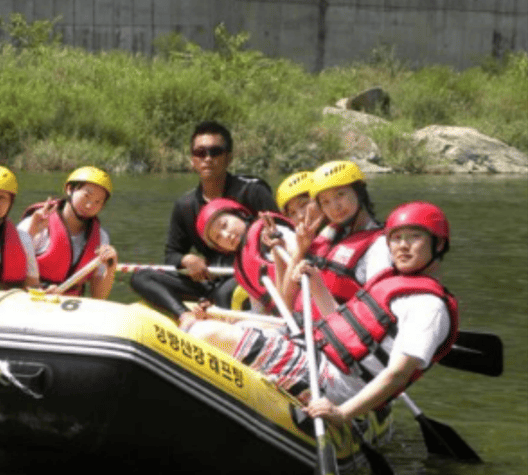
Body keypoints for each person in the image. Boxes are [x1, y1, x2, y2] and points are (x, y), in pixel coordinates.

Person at [187, 201, 459, 425]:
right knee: (200, 331)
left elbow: (397, 375)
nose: (402, 245)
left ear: (438, 244)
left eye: (415, 237)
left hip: (334, 383)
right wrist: (316, 281)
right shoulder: (388, 282)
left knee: (205, 332)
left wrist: (343, 413)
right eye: (396, 238)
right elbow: (342, 325)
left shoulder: (428, 306)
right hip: (316, 355)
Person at [129, 120, 278, 324]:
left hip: (252, 275)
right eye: (200, 153)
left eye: (215, 152)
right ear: (192, 160)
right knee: (142, 277)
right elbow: (172, 254)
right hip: (211, 280)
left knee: (226, 292)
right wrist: (187, 260)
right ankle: (185, 315)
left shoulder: (253, 191)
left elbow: (279, 233)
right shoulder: (185, 205)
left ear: (228, 158)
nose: (207, 159)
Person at [278, 160, 391, 318]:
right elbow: (285, 303)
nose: (334, 206)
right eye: (325, 202)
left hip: (332, 338)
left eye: (340, 194)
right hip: (302, 327)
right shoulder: (330, 236)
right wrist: (301, 249)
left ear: (358, 192)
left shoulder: (379, 247)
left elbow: (377, 314)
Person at [18, 166, 118, 298]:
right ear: (69, 189)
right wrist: (31, 232)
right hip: (31, 300)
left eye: (98, 202)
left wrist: (111, 268)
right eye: (86, 196)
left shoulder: (101, 237)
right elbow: (12, 272)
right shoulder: (35, 223)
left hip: (69, 307)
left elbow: (99, 297)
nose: (89, 205)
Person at [194, 198, 297, 320]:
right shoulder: (241, 268)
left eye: (224, 225)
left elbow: (303, 257)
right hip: (286, 321)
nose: (226, 235)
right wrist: (217, 315)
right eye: (218, 238)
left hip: (308, 311)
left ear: (240, 214)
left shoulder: (270, 232)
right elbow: (259, 312)